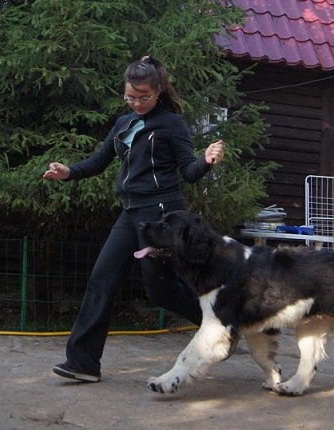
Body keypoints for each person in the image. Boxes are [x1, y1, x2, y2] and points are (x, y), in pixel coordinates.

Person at [43, 56, 225, 382]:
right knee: (101, 280)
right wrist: (68, 172)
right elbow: (98, 162)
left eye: (144, 97)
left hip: (160, 216)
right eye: (131, 97)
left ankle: (223, 322)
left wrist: (207, 160)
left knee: (161, 292)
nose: (137, 103)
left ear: (158, 91)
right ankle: (83, 364)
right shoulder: (123, 124)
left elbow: (189, 172)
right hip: (130, 214)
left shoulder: (172, 124)